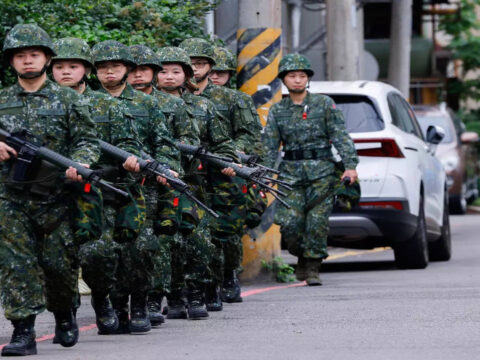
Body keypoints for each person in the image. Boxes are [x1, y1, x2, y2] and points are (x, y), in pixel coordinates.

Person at [0, 24, 100, 355]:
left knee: (59, 265)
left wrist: (79, 164)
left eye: (34, 55)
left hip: (57, 195)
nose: (27, 61)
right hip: (10, 197)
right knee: (16, 263)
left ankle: (65, 316)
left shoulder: (68, 99)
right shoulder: (2, 100)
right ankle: (23, 331)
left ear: (46, 58)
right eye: (20, 56)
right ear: (11, 62)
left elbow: (87, 140)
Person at [51, 37, 144, 335]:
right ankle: (65, 316)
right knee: (54, 259)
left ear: (85, 71)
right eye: (59, 66)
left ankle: (102, 298)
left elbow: (129, 142)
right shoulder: (37, 104)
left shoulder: (106, 105)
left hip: (95, 192)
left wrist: (129, 160)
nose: (66, 72)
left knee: (97, 254)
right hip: (47, 193)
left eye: (73, 66)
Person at [91, 40, 181, 334]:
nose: (109, 72)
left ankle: (140, 303)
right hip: (98, 187)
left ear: (126, 69)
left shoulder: (147, 104)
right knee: (103, 251)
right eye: (103, 68)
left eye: (115, 66)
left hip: (140, 186)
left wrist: (164, 167)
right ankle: (114, 307)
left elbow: (163, 143)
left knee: (140, 247)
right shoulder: (87, 103)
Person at [263, 53, 359, 286]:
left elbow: (340, 135)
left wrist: (350, 166)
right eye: (292, 76)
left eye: (302, 76)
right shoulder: (278, 110)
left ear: (308, 79)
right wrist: (264, 176)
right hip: (290, 176)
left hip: (323, 174)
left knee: (317, 222)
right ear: (284, 80)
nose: (297, 80)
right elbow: (269, 145)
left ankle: (313, 267)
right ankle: (302, 256)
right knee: (291, 224)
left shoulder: (323, 104)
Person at [156, 46, 238, 316]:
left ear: (187, 75)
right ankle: (173, 296)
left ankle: (196, 293)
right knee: (165, 242)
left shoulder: (203, 106)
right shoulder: (146, 104)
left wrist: (228, 162)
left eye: (176, 71)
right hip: (156, 184)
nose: (169, 77)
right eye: (164, 71)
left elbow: (222, 142)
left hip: (194, 183)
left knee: (199, 240)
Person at [179, 38, 259, 305]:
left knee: (226, 230)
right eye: (190, 63)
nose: (196, 68)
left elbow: (248, 136)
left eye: (201, 63)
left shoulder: (232, 99)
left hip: (223, 172)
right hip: (189, 172)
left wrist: (229, 157)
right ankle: (198, 286)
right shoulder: (174, 98)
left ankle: (227, 275)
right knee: (193, 229)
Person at [127, 44, 202, 322]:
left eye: (143, 70)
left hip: (166, 181)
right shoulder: (108, 102)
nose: (137, 76)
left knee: (169, 238)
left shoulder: (171, 105)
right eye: (132, 70)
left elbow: (186, 141)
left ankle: (163, 297)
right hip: (123, 182)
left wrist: (167, 168)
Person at [209, 46, 268, 232]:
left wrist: (234, 153)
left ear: (229, 75)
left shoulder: (237, 99)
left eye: (221, 72)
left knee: (228, 231)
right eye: (211, 72)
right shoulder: (187, 98)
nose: (215, 77)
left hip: (231, 169)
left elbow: (249, 134)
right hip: (199, 171)